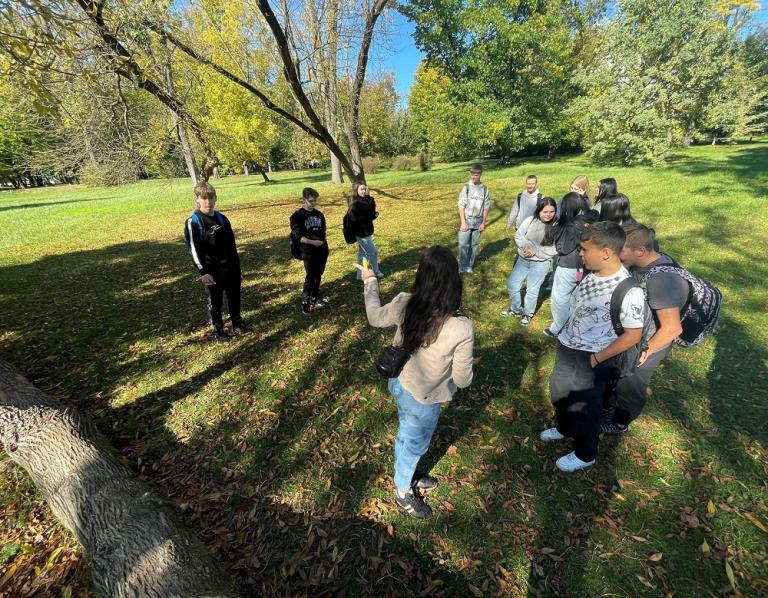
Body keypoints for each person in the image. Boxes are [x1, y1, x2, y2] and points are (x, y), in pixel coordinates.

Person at [358, 246, 474, 519]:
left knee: (407, 433)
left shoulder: (404, 302)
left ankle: (407, 470)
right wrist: (453, 384)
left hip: (397, 383)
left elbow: (374, 317)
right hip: (424, 399)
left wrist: (370, 281)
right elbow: (463, 379)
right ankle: (402, 490)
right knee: (414, 444)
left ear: (421, 276)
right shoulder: (461, 327)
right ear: (454, 281)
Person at [540, 221, 645, 472]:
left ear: (606, 252)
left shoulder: (628, 291)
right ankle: (564, 427)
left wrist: (597, 358)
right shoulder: (592, 273)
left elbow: (632, 335)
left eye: (585, 249)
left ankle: (586, 453)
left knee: (586, 407)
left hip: (592, 357)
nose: (580, 253)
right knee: (559, 392)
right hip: (568, 346)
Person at [601, 224, 688, 435]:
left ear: (640, 251)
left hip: (651, 341)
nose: (615, 254)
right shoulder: (644, 263)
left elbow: (672, 328)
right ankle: (609, 402)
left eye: (621, 250)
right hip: (635, 334)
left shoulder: (662, 282)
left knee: (630, 381)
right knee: (617, 372)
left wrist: (644, 352)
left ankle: (621, 421)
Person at [184, 181, 251, 342]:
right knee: (215, 301)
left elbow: (231, 243)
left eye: (211, 198)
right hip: (212, 270)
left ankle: (237, 323)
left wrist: (235, 263)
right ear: (198, 199)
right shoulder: (194, 221)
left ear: (215, 198)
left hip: (231, 267)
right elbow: (194, 249)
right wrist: (203, 271)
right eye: (204, 198)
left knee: (234, 296)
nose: (208, 202)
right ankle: (219, 330)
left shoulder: (222, 218)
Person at [544, 192, 596, 338]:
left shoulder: (571, 226)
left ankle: (558, 328)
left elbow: (563, 248)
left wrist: (557, 230)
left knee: (559, 298)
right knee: (574, 297)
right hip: (583, 265)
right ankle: (573, 323)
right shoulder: (589, 220)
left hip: (568, 266)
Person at [501, 197, 558, 326]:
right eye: (545, 212)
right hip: (523, 260)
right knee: (512, 284)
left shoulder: (557, 226)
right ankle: (515, 309)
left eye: (551, 212)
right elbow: (518, 235)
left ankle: (528, 313)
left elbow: (555, 249)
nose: (548, 215)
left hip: (541, 263)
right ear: (539, 211)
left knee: (532, 290)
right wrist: (526, 246)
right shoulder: (530, 220)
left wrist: (536, 251)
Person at [290, 187, 329, 315]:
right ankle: (305, 302)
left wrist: (322, 243)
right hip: (308, 251)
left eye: (315, 201)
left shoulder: (319, 215)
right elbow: (298, 237)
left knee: (319, 274)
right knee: (310, 276)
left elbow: (323, 231)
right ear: (304, 199)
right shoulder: (296, 216)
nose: (313, 203)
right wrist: (313, 242)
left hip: (322, 250)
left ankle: (315, 297)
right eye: (311, 201)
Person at [457, 163, 491, 274]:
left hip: (478, 221)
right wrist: (463, 222)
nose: (474, 177)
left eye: (476, 174)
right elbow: (461, 205)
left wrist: (483, 223)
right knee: (463, 244)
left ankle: (469, 266)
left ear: (481, 174)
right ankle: (462, 266)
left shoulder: (485, 189)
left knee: (474, 245)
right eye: (472, 174)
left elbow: (486, 207)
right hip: (467, 220)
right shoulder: (466, 188)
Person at [348, 181, 384, 279]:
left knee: (362, 253)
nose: (363, 191)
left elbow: (371, 212)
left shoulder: (368, 199)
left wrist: (372, 214)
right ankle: (376, 271)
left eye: (365, 189)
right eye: (361, 189)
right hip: (360, 233)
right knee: (373, 252)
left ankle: (360, 275)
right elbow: (358, 218)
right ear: (356, 190)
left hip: (367, 231)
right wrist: (370, 215)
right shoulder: (354, 202)